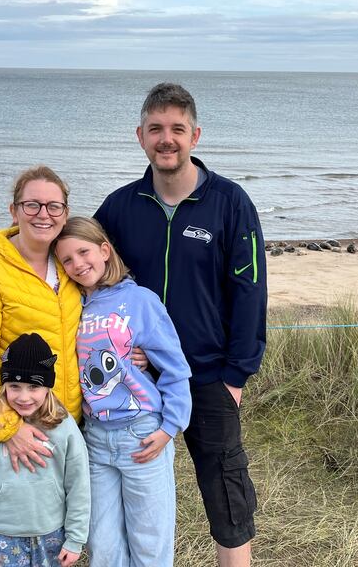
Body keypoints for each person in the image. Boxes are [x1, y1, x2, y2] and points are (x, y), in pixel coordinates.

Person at [94, 83, 267, 567]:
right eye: (155, 129)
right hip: (136, 380)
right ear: (140, 136)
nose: (165, 139)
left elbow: (250, 291)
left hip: (211, 376)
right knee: (135, 492)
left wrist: (237, 376)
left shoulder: (231, 203)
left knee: (225, 489)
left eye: (176, 129)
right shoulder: (119, 207)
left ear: (195, 135)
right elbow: (83, 269)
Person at [53, 216, 192, 567]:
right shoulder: (72, 306)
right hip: (95, 438)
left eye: (83, 252)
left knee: (149, 541)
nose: (77, 265)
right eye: (67, 260)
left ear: (104, 250)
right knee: (102, 543)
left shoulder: (140, 300)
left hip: (141, 434)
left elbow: (175, 367)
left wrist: (169, 428)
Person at [0, 165, 82, 473]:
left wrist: (136, 350)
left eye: (54, 206)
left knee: (69, 516)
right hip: (16, 421)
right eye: (31, 205)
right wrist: (7, 428)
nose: (43, 214)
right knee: (10, 518)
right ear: (14, 210)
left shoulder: (71, 263)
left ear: (65, 213)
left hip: (68, 421)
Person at [0, 332, 90, 567]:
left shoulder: (65, 427)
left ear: (48, 386)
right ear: (4, 385)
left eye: (33, 386)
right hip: (0, 536)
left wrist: (76, 538)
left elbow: (78, 484)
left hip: (52, 534)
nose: (24, 396)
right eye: (14, 386)